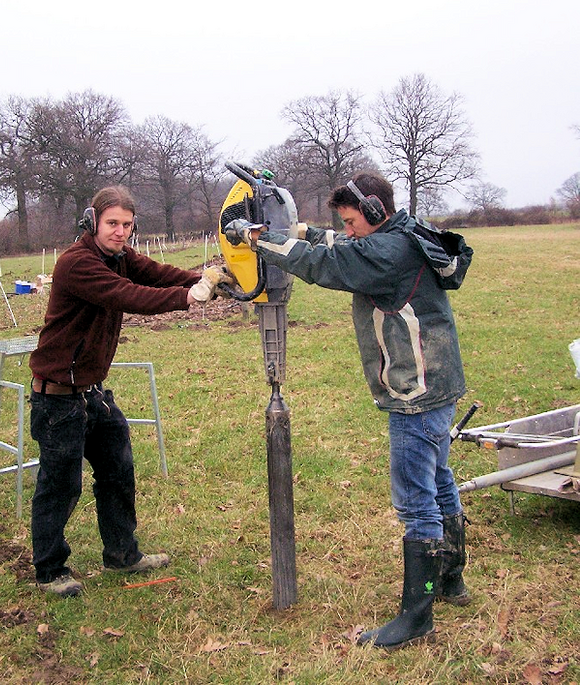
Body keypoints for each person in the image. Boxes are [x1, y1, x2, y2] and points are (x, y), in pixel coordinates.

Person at [224, 172, 474, 650]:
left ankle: (418, 613)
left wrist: (253, 237)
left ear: (376, 211)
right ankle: (449, 580)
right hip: (438, 385)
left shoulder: (386, 252)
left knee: (416, 503)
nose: (350, 228)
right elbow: (335, 243)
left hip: (414, 395)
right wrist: (296, 230)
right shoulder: (402, 236)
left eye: (354, 220)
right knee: (440, 480)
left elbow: (325, 263)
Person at [29, 185, 233, 597]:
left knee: (118, 473)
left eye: (126, 225)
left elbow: (156, 274)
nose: (120, 232)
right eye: (112, 224)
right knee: (61, 484)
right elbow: (129, 295)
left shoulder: (120, 257)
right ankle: (50, 569)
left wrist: (205, 278)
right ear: (93, 221)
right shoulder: (77, 264)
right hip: (57, 398)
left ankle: (122, 555)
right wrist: (189, 297)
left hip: (91, 394)